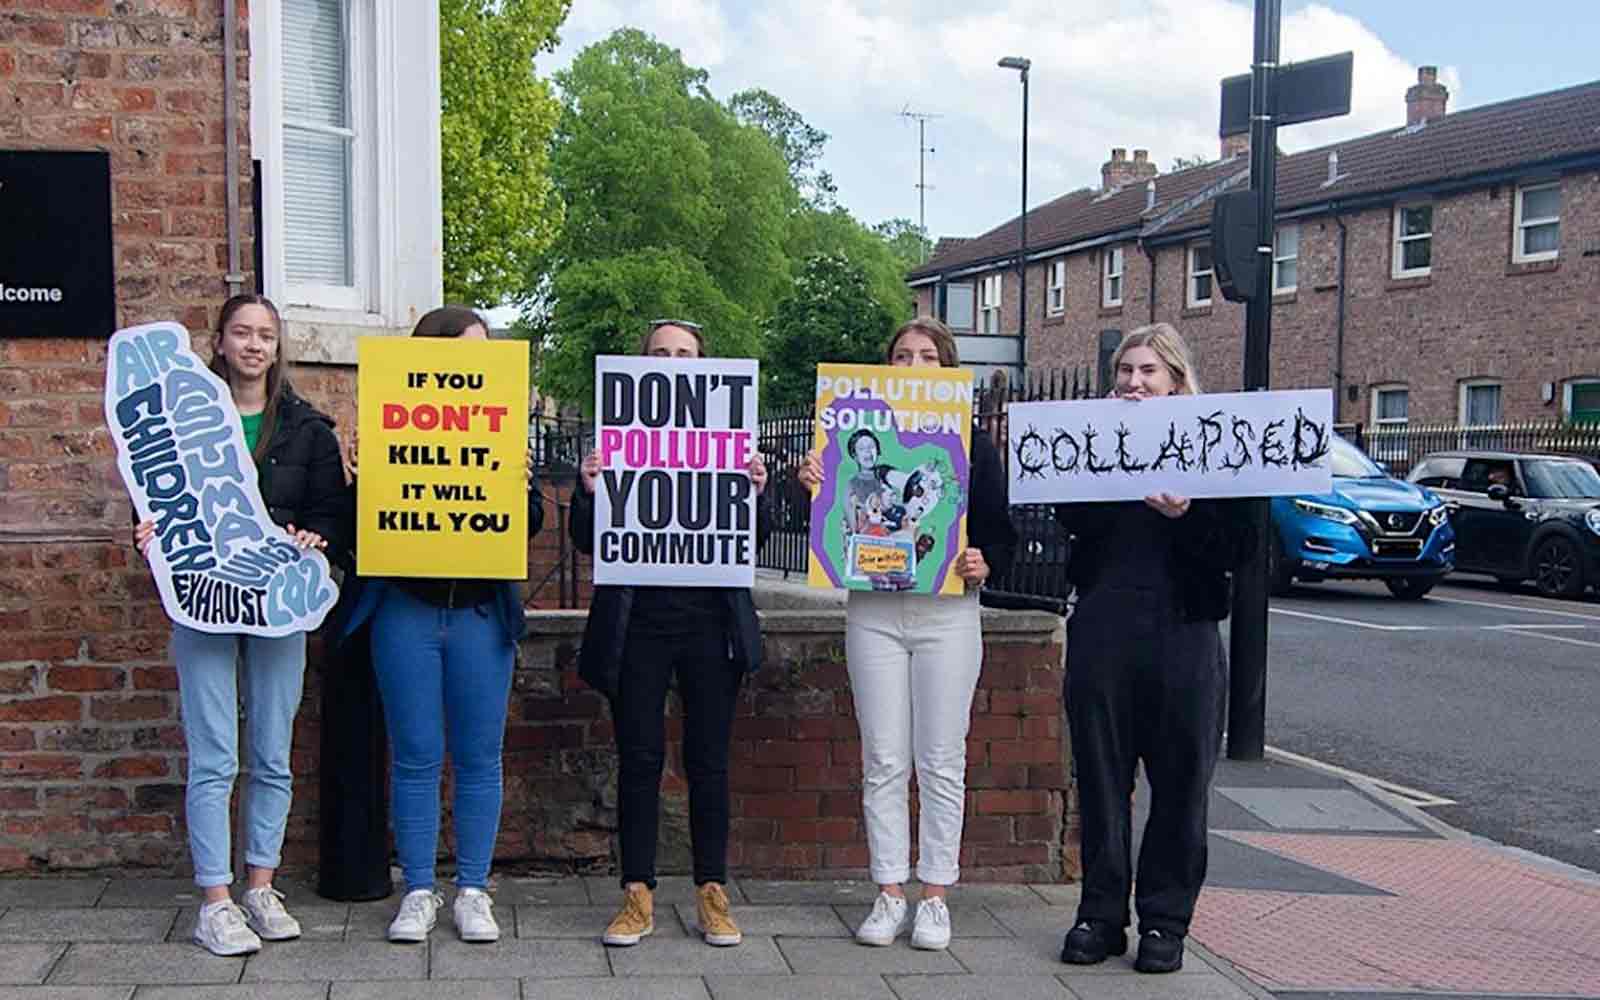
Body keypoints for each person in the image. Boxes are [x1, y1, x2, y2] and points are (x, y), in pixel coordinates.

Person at [132, 294, 351, 956]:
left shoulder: (309, 430)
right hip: (202, 598)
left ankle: (261, 884)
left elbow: (333, 517)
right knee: (214, 752)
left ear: (277, 349)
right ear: (220, 342)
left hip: (277, 600)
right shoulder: (177, 422)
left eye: (266, 335)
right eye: (242, 333)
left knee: (270, 752)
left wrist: (317, 539)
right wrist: (144, 534)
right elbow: (152, 496)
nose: (254, 345)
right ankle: (215, 900)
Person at [796, 316, 1018, 950]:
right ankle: (889, 890)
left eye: (926, 355)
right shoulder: (847, 439)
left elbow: (1000, 530)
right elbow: (820, 529)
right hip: (874, 609)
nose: (912, 364)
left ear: (945, 370)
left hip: (948, 612)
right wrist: (810, 484)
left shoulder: (972, 444)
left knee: (942, 758)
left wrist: (986, 561)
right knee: (884, 757)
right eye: (901, 354)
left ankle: (936, 895)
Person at [336, 305, 544, 945]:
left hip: (481, 614)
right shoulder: (385, 422)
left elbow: (527, 527)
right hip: (405, 611)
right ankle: (420, 889)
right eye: (461, 351)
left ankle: (474, 889)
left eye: (483, 353)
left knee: (481, 756)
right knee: (417, 755)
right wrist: (361, 480)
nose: (474, 364)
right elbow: (359, 531)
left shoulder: (502, 425)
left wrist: (520, 485)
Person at [1053, 323, 1257, 974]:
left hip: (1185, 635)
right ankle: (1100, 915)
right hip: (1105, 629)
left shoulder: (1219, 450)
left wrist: (1187, 512)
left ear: (1176, 380)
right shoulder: (1095, 444)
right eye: (1125, 372)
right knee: (1103, 781)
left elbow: (1241, 552)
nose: (1134, 383)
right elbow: (1068, 523)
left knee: (1181, 784)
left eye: (1147, 372)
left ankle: (1166, 922)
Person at [571, 319, 771, 949]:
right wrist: (588, 492)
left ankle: (712, 891)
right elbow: (585, 542)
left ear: (703, 365)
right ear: (642, 364)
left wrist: (757, 492)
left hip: (713, 626)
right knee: (639, 760)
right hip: (638, 625)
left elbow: (756, 540)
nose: (673, 363)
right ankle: (637, 893)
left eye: (684, 354)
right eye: (660, 354)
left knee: (710, 763)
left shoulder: (733, 443)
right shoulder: (613, 441)